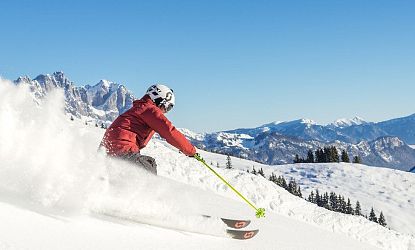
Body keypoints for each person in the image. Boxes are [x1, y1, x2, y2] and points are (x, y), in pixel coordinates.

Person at [100, 84, 197, 175]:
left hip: (108, 151)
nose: (165, 111)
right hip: (123, 149)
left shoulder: (138, 108)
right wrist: (191, 151)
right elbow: (169, 131)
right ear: (160, 100)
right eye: (167, 107)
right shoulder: (149, 110)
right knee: (148, 165)